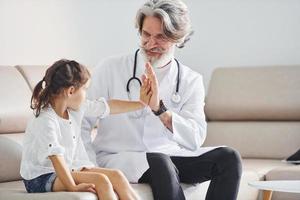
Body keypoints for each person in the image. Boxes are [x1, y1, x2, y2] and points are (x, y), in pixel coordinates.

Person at [81, 0, 242, 199]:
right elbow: (81, 122)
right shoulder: (110, 68)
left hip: (170, 156)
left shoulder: (190, 80)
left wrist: (160, 111)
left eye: (161, 37)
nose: (150, 44)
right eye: (146, 35)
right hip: (119, 157)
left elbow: (195, 138)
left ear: (178, 39)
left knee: (229, 158)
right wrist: (88, 167)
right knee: (160, 162)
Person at [20, 59, 153, 200]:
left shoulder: (75, 109)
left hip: (71, 167)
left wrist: (141, 104)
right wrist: (72, 186)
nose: (86, 94)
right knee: (101, 181)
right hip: (41, 177)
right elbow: (56, 159)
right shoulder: (45, 120)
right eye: (85, 89)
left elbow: (108, 106)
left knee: (117, 176)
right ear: (71, 91)